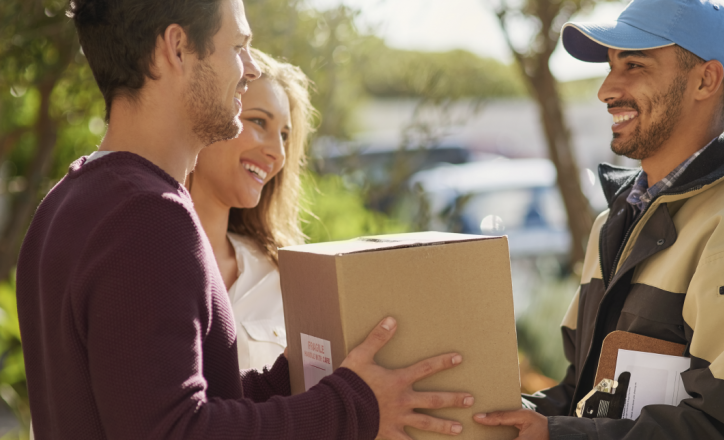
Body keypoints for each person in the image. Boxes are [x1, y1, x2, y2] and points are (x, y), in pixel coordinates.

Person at [17, 0, 472, 438]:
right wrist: (353, 407)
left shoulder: (63, 203)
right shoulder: (149, 216)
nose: (250, 68)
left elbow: (157, 404)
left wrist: (291, 378)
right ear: (177, 48)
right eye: (238, 47)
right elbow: (176, 430)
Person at [474, 0, 724, 438]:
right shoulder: (614, 223)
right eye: (611, 67)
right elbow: (584, 397)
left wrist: (558, 434)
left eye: (634, 65)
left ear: (706, 80)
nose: (606, 90)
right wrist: (474, 415)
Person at [188, 48, 309, 370]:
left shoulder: (284, 277)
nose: (278, 153)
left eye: (285, 136)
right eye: (258, 121)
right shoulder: (139, 256)